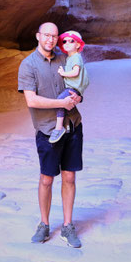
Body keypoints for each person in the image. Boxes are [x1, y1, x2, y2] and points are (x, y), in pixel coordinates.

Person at [18, 22, 83, 248]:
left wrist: (77, 98)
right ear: (38, 36)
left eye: (54, 36)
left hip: (72, 125)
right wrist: (62, 103)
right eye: (46, 35)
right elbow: (31, 100)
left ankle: (67, 225)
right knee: (47, 179)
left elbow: (78, 85)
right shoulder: (28, 65)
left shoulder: (65, 59)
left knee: (69, 177)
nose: (51, 40)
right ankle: (44, 224)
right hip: (47, 130)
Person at [49, 30, 89, 144]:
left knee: (60, 101)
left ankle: (58, 128)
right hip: (72, 88)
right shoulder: (70, 57)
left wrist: (63, 73)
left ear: (77, 45)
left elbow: (75, 72)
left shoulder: (76, 57)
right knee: (62, 103)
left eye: (71, 41)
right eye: (64, 41)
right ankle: (61, 126)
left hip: (72, 88)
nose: (67, 43)